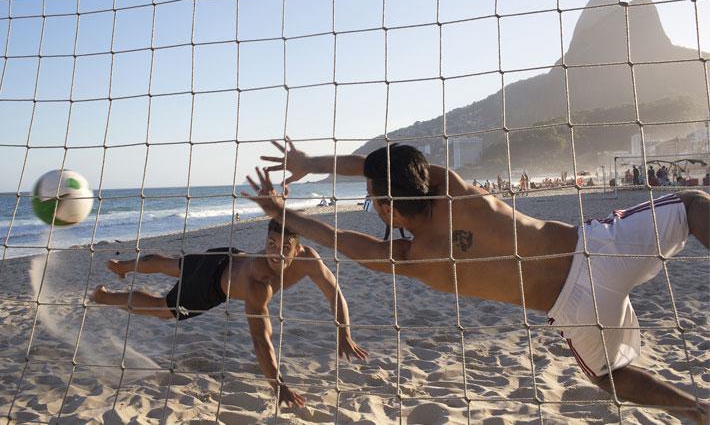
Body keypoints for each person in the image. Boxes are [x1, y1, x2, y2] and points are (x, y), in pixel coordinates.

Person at [252, 139, 709, 422]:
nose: (371, 200)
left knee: (611, 378)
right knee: (690, 206)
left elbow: (336, 237)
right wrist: (313, 163)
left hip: (572, 308)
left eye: (373, 197)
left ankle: (696, 411)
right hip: (593, 249)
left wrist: (281, 214)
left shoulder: (411, 258)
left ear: (388, 208)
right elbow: (377, 166)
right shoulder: (454, 189)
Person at [90, 219, 368, 408]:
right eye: (271, 244)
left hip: (227, 256)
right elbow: (261, 340)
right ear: (266, 240)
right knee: (165, 310)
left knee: (174, 264)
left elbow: (334, 292)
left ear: (298, 249)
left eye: (285, 248)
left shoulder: (311, 260)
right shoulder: (258, 284)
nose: (277, 253)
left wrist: (344, 332)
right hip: (211, 287)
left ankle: (122, 266)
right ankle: (105, 296)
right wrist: (278, 386)